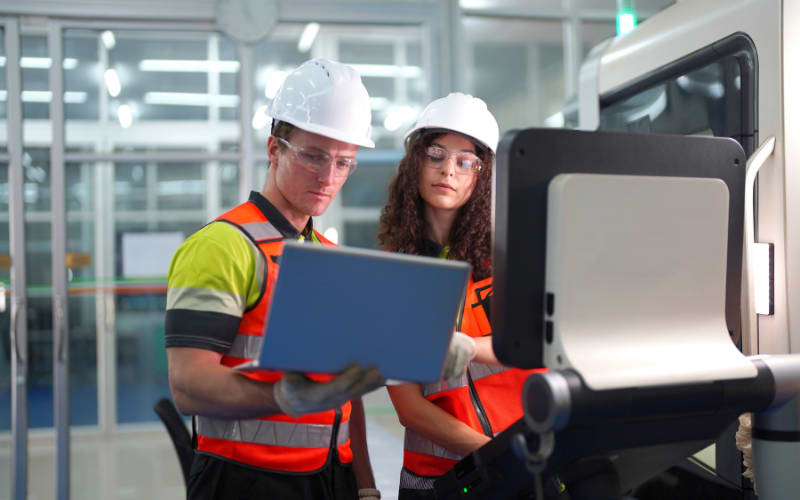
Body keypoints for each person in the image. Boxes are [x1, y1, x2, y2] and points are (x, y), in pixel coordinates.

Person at [165, 59, 474, 500]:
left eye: (344, 162)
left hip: (333, 477)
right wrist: (281, 399)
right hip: (245, 482)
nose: (329, 177)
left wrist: (365, 484)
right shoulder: (222, 246)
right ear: (275, 149)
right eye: (313, 156)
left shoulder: (328, 259)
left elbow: (346, 392)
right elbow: (187, 385)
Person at [378, 92, 543, 500]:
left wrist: (469, 347)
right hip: (437, 481)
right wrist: (492, 456)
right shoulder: (393, 273)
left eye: (465, 160)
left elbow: (542, 345)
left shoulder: (514, 257)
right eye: (435, 154)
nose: (447, 170)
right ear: (416, 162)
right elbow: (408, 406)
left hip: (527, 462)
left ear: (482, 174)